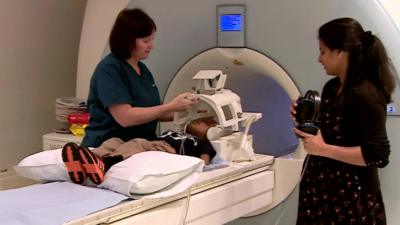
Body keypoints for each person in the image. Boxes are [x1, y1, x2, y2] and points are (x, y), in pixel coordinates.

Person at [291, 18, 395, 225]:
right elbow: (329, 134)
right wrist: (304, 118)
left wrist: (323, 149)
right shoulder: (332, 88)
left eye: (323, 51)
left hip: (350, 200)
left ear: (340, 52)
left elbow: (378, 155)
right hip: (321, 194)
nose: (319, 58)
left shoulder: (366, 95)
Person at [81, 8, 197, 148]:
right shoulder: (109, 69)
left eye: (152, 39)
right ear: (127, 40)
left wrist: (188, 110)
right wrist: (171, 106)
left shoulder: (143, 69)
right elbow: (125, 117)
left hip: (140, 145)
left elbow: (153, 113)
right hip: (109, 147)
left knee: (197, 147)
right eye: (146, 40)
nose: (152, 46)